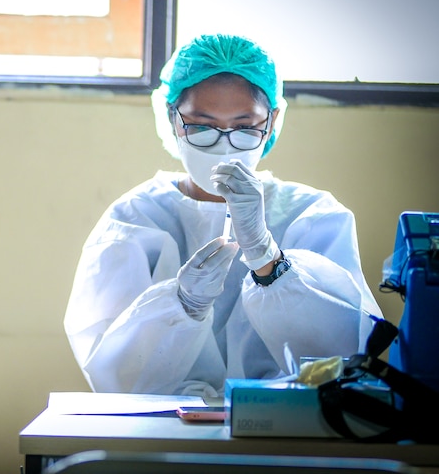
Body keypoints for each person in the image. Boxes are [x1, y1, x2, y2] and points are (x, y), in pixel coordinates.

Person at [64, 33, 382, 398]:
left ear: (272, 121)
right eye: (201, 126)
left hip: (290, 428)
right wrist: (182, 306)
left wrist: (270, 262)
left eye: (245, 128)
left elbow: (343, 355)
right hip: (163, 434)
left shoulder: (311, 216)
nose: (223, 143)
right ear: (173, 119)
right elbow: (113, 371)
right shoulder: (134, 220)